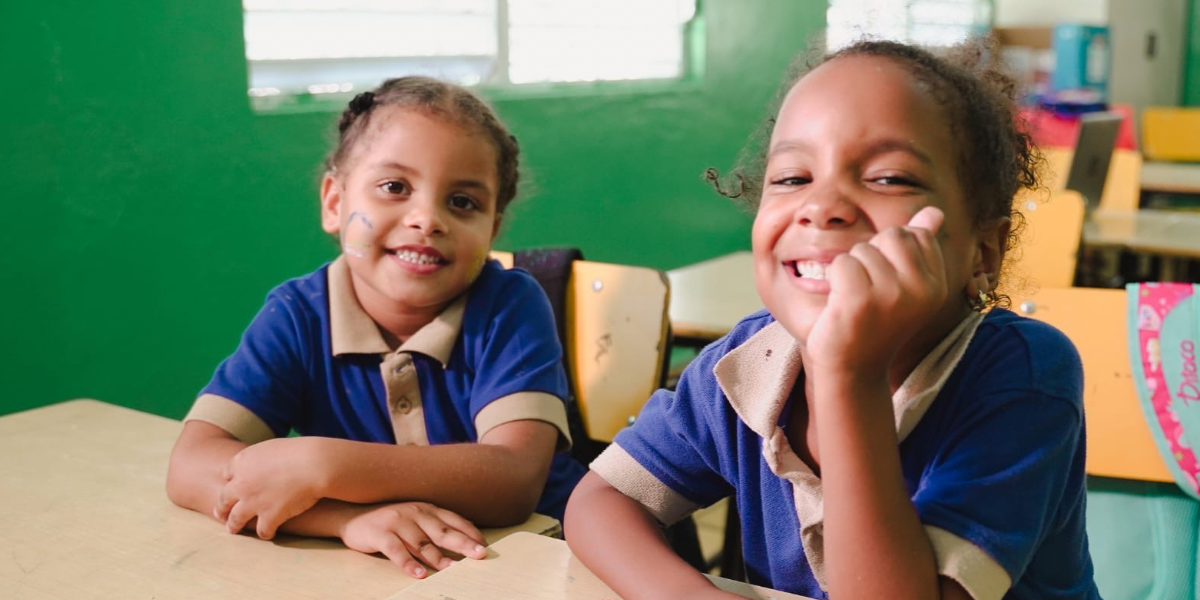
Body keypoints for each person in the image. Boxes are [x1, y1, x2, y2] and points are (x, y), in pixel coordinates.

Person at [565, 39, 1100, 600]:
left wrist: (847, 374)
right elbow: (602, 500)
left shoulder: (1022, 376)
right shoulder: (747, 363)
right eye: (794, 178)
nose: (822, 206)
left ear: (982, 251)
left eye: (889, 178)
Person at [166, 76, 586, 579]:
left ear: (492, 228)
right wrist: (346, 519)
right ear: (334, 203)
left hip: (545, 562)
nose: (427, 219)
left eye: (462, 203)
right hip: (387, 574)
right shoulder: (298, 315)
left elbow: (513, 481)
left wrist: (325, 465)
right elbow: (190, 467)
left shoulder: (510, 306)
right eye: (394, 188)